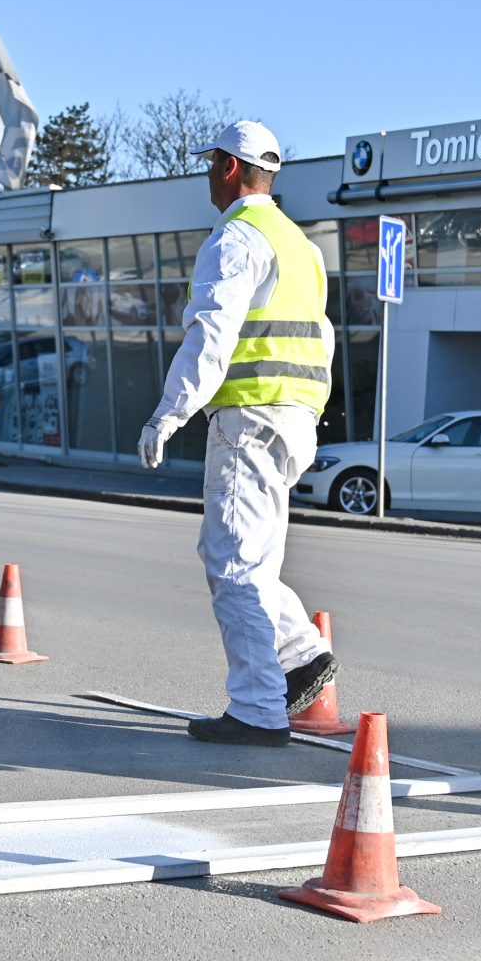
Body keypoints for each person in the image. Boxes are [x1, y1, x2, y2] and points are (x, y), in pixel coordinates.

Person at [138, 121, 337, 745]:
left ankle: (257, 709)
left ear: (228, 166)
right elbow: (321, 336)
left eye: (210, 164)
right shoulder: (300, 245)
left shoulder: (236, 239)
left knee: (236, 564)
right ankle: (302, 651)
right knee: (241, 555)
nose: (206, 175)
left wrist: (169, 412)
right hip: (294, 418)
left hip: (249, 419)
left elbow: (211, 334)